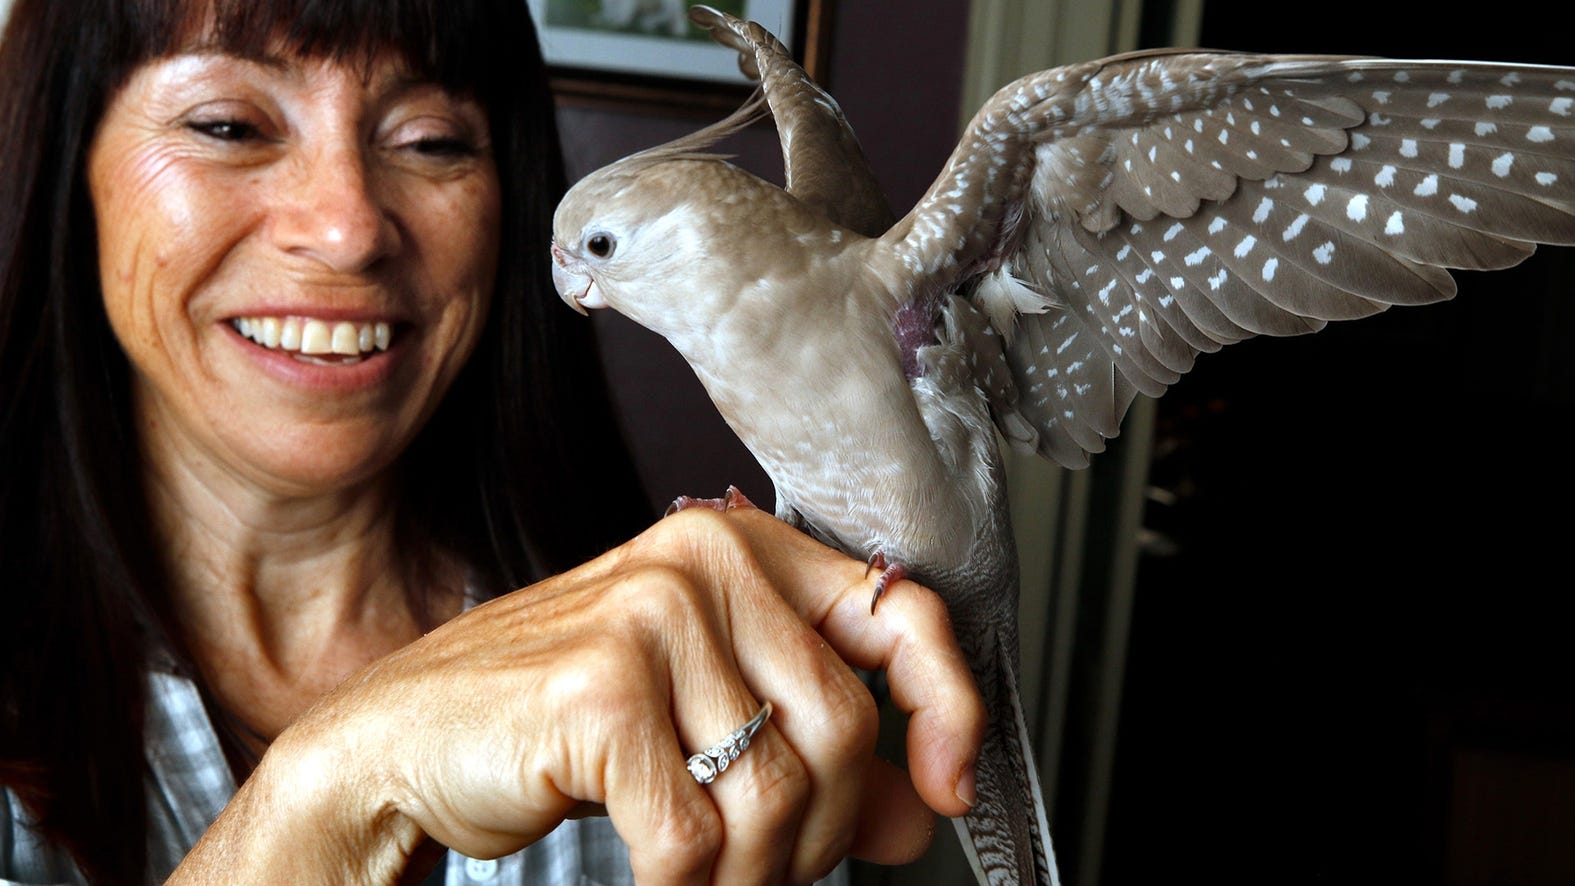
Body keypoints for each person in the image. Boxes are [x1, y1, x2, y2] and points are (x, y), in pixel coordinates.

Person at [0, 0, 988, 883]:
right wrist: (341, 786)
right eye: (229, 125)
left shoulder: (720, 684)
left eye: (431, 142)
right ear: (64, 163)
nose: (349, 229)